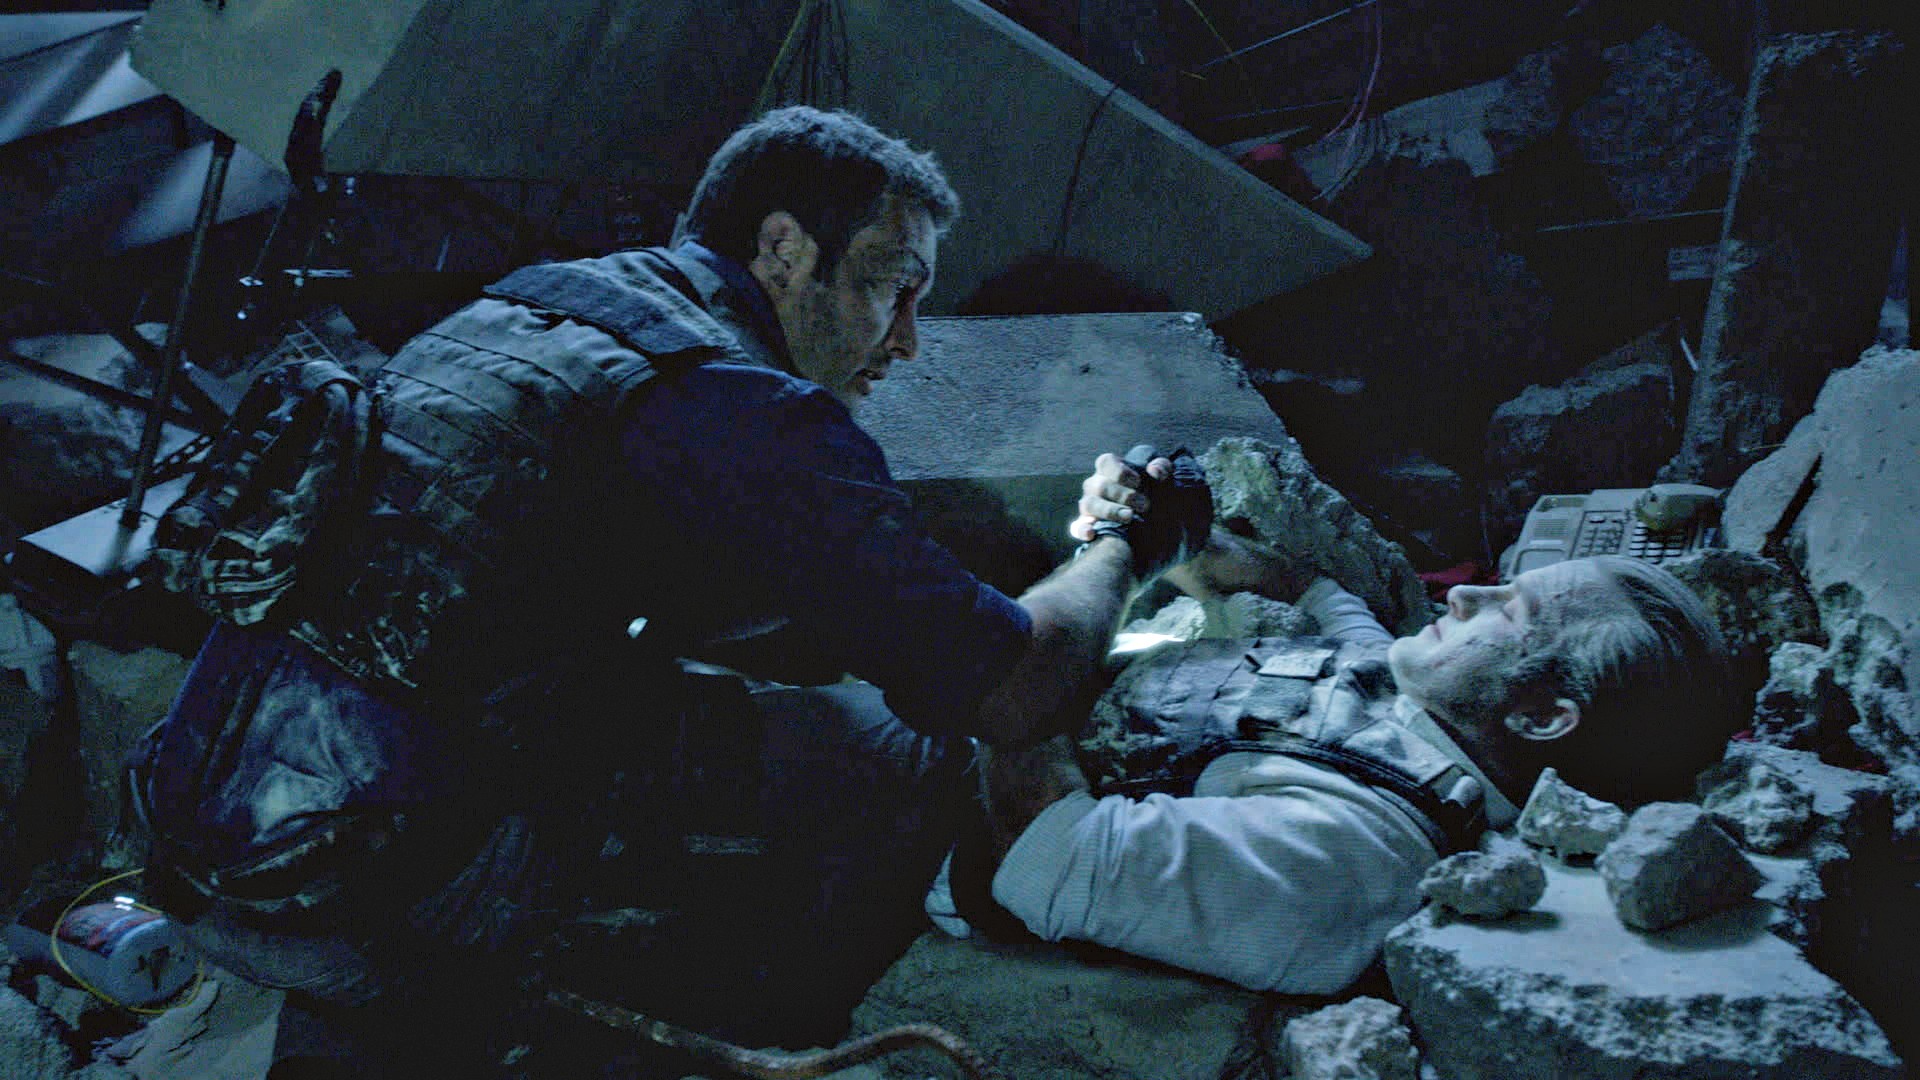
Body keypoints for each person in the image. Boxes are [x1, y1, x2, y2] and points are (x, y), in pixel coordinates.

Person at [126, 106, 1206, 1073]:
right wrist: (1126, 539)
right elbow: (1011, 689)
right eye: (892, 285)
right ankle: (763, 1030)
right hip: (380, 886)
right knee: (904, 750)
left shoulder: (530, 306)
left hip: (210, 825)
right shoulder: (736, 403)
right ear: (783, 248)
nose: (908, 341)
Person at [970, 541, 1737, 995]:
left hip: (950, 789)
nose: (1464, 594)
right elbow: (1318, 598)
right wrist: (1191, 538)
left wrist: (1098, 576)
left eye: (1509, 611)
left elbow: (1041, 844)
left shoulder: (1353, 854)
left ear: (1539, 717)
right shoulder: (1422, 704)